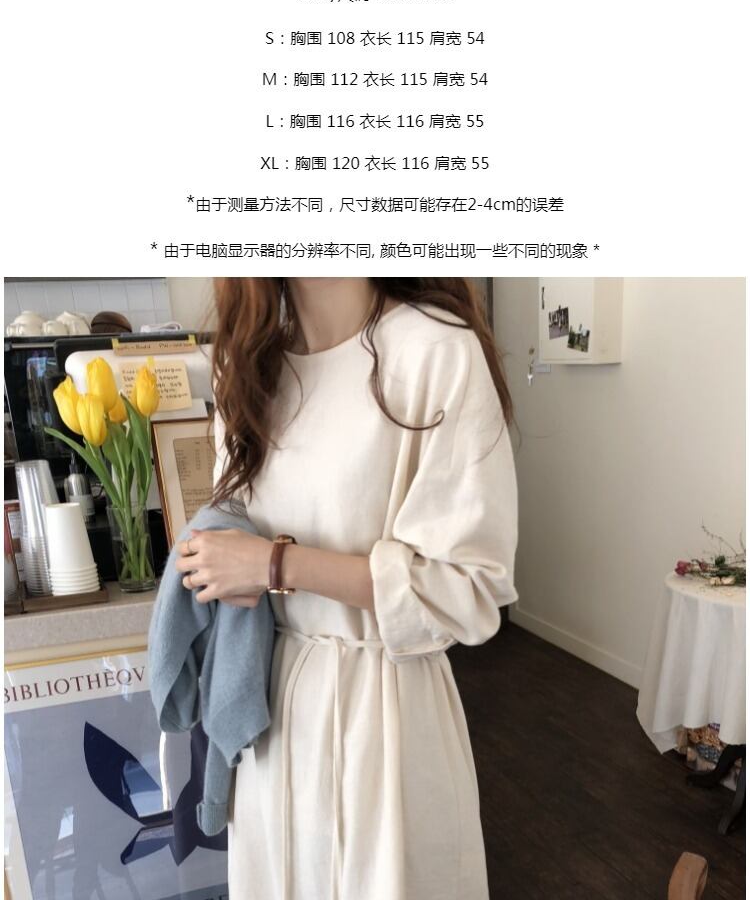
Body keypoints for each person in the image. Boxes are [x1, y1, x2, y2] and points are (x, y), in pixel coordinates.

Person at [175, 277, 519, 900]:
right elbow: (233, 531)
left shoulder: (435, 349)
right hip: (272, 715)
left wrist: (275, 565)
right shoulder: (249, 369)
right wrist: (216, 562)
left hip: (387, 713)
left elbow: (467, 587)